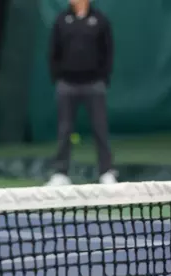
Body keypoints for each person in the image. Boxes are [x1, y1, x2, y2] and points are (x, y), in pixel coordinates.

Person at [46, 0, 117, 186]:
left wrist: (102, 78)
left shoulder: (100, 20)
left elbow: (108, 51)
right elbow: (54, 51)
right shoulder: (61, 20)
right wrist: (58, 77)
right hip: (67, 85)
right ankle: (61, 173)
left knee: (100, 128)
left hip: (94, 84)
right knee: (64, 130)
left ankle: (106, 171)